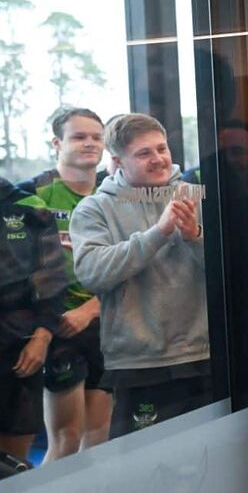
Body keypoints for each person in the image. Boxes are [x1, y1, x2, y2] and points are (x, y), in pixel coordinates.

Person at [71, 113, 209, 441]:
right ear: (118, 162)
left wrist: (195, 237)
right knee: (142, 470)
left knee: (208, 459)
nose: (158, 159)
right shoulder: (94, 209)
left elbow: (231, 270)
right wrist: (158, 233)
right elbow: (92, 273)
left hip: (204, 354)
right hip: (138, 363)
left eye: (162, 149)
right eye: (144, 153)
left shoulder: (198, 195)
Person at [0, 111, 65, 464]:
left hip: (20, 349)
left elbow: (53, 278)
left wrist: (42, 337)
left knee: (15, 470)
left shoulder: (28, 204)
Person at [18, 108, 111, 462]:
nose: (89, 143)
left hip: (104, 320)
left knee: (99, 434)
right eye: (78, 136)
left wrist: (91, 310)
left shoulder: (114, 192)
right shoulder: (32, 195)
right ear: (57, 143)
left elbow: (135, 262)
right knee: (66, 438)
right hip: (57, 326)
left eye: (96, 137)